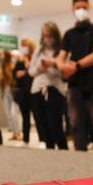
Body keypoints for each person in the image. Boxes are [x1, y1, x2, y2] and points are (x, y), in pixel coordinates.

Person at [57, 0, 93, 153]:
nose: (81, 10)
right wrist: (64, 67)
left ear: (89, 8)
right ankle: (80, 157)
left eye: (84, 7)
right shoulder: (69, 34)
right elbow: (60, 58)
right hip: (74, 85)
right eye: (77, 7)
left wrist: (76, 65)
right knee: (75, 123)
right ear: (72, 9)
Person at [29, 22, 67, 150]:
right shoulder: (38, 51)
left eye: (50, 35)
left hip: (55, 89)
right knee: (42, 124)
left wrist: (54, 65)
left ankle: (63, 150)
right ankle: (49, 149)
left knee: (55, 124)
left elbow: (65, 72)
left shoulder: (62, 51)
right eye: (45, 36)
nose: (48, 38)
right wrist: (40, 68)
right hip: (37, 90)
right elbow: (31, 71)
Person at [0, 50, 23, 141]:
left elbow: (13, 79)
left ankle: (18, 132)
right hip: (5, 92)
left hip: (13, 92)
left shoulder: (12, 66)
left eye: (3, 56)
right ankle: (14, 133)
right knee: (8, 114)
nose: (2, 58)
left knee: (14, 113)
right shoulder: (2, 68)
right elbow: (1, 82)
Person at [14, 38, 35, 144]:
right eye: (22, 45)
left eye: (25, 45)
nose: (24, 48)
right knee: (25, 117)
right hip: (23, 93)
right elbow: (16, 74)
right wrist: (25, 71)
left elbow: (35, 72)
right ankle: (25, 139)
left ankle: (43, 139)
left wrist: (26, 70)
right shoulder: (20, 61)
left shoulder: (35, 59)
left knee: (38, 116)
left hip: (35, 91)